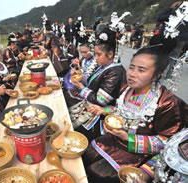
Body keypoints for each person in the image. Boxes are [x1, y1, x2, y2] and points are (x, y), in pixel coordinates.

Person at [83, 44, 188, 183]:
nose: (132, 74)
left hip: (139, 154)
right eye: (131, 67)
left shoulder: (167, 103)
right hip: (114, 140)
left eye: (141, 70)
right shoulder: (126, 88)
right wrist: (106, 111)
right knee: (85, 153)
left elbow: (169, 143)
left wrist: (129, 138)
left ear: (157, 75)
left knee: (98, 173)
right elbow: (123, 111)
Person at [69, 27, 126, 140]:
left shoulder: (115, 72)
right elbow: (91, 81)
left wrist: (81, 87)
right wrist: (79, 77)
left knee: (75, 131)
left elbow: (101, 100)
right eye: (95, 54)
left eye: (98, 54)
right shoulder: (104, 66)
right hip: (90, 104)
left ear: (110, 54)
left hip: (100, 111)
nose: (96, 58)